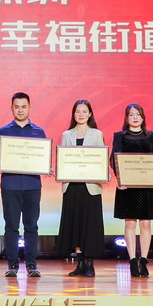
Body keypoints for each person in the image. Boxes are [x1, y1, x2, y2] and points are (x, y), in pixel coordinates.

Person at [0, 92, 48, 278]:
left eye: (24, 107)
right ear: (12, 108)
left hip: (33, 185)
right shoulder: (4, 131)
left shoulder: (39, 132)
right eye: (17, 107)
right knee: (11, 227)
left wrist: (46, 165)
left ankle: (32, 265)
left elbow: (43, 156)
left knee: (31, 226)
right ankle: (12, 265)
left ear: (29, 108)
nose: (20, 110)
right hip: (10, 185)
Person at [112, 103, 153, 277]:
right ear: (126, 118)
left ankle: (143, 260)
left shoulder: (152, 136)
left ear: (143, 117)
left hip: (146, 187)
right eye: (131, 114)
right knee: (129, 223)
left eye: (138, 114)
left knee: (146, 223)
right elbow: (114, 159)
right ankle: (132, 261)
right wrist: (120, 179)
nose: (135, 117)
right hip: (127, 187)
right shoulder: (120, 136)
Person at [56, 100, 105, 277]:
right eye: (78, 111)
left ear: (90, 114)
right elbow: (63, 159)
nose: (81, 115)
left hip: (91, 186)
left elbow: (101, 160)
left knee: (90, 225)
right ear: (73, 114)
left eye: (84, 111)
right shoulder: (66, 135)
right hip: (72, 186)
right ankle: (80, 263)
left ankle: (90, 264)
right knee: (75, 224)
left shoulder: (97, 134)